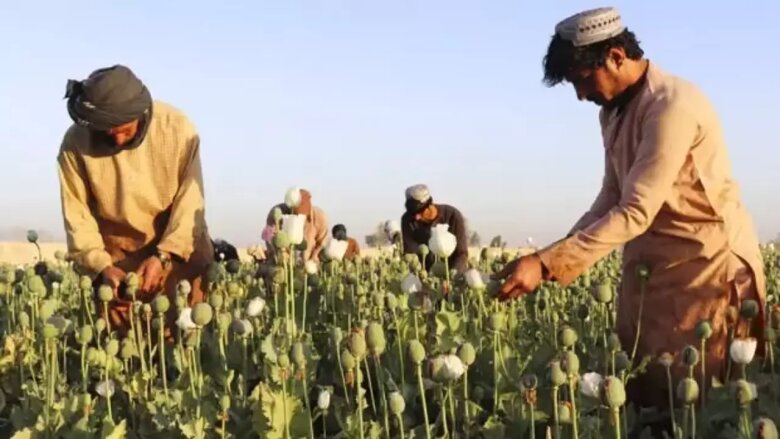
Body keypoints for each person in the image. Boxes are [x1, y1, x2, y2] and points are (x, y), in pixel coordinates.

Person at [493, 7, 766, 436]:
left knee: (700, 407)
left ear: (616, 56)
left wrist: (548, 264)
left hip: (704, 271)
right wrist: (547, 257)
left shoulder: (671, 106)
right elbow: (611, 195)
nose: (581, 96)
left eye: (583, 80)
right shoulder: (616, 112)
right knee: (645, 392)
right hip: (651, 272)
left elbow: (636, 209)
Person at [57, 64, 214, 335]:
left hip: (179, 254)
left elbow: (190, 203)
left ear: (142, 114)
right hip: (118, 269)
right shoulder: (75, 144)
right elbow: (77, 216)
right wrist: (101, 266)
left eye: (125, 130)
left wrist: (164, 256)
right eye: (107, 132)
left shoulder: (176, 129)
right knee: (128, 357)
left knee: (186, 351)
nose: (117, 138)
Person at [401, 184, 469, 273]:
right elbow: (410, 253)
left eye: (419, 212)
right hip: (424, 276)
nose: (416, 217)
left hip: (452, 274)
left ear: (430, 205)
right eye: (413, 214)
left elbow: (462, 253)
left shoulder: (452, 216)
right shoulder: (408, 220)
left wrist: (454, 273)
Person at [263, 188, 328, 263]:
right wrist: (281, 253)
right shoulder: (276, 214)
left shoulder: (319, 217)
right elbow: (269, 237)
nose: (299, 217)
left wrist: (314, 256)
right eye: (295, 214)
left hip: (308, 262)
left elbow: (322, 242)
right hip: (282, 261)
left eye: (302, 215)